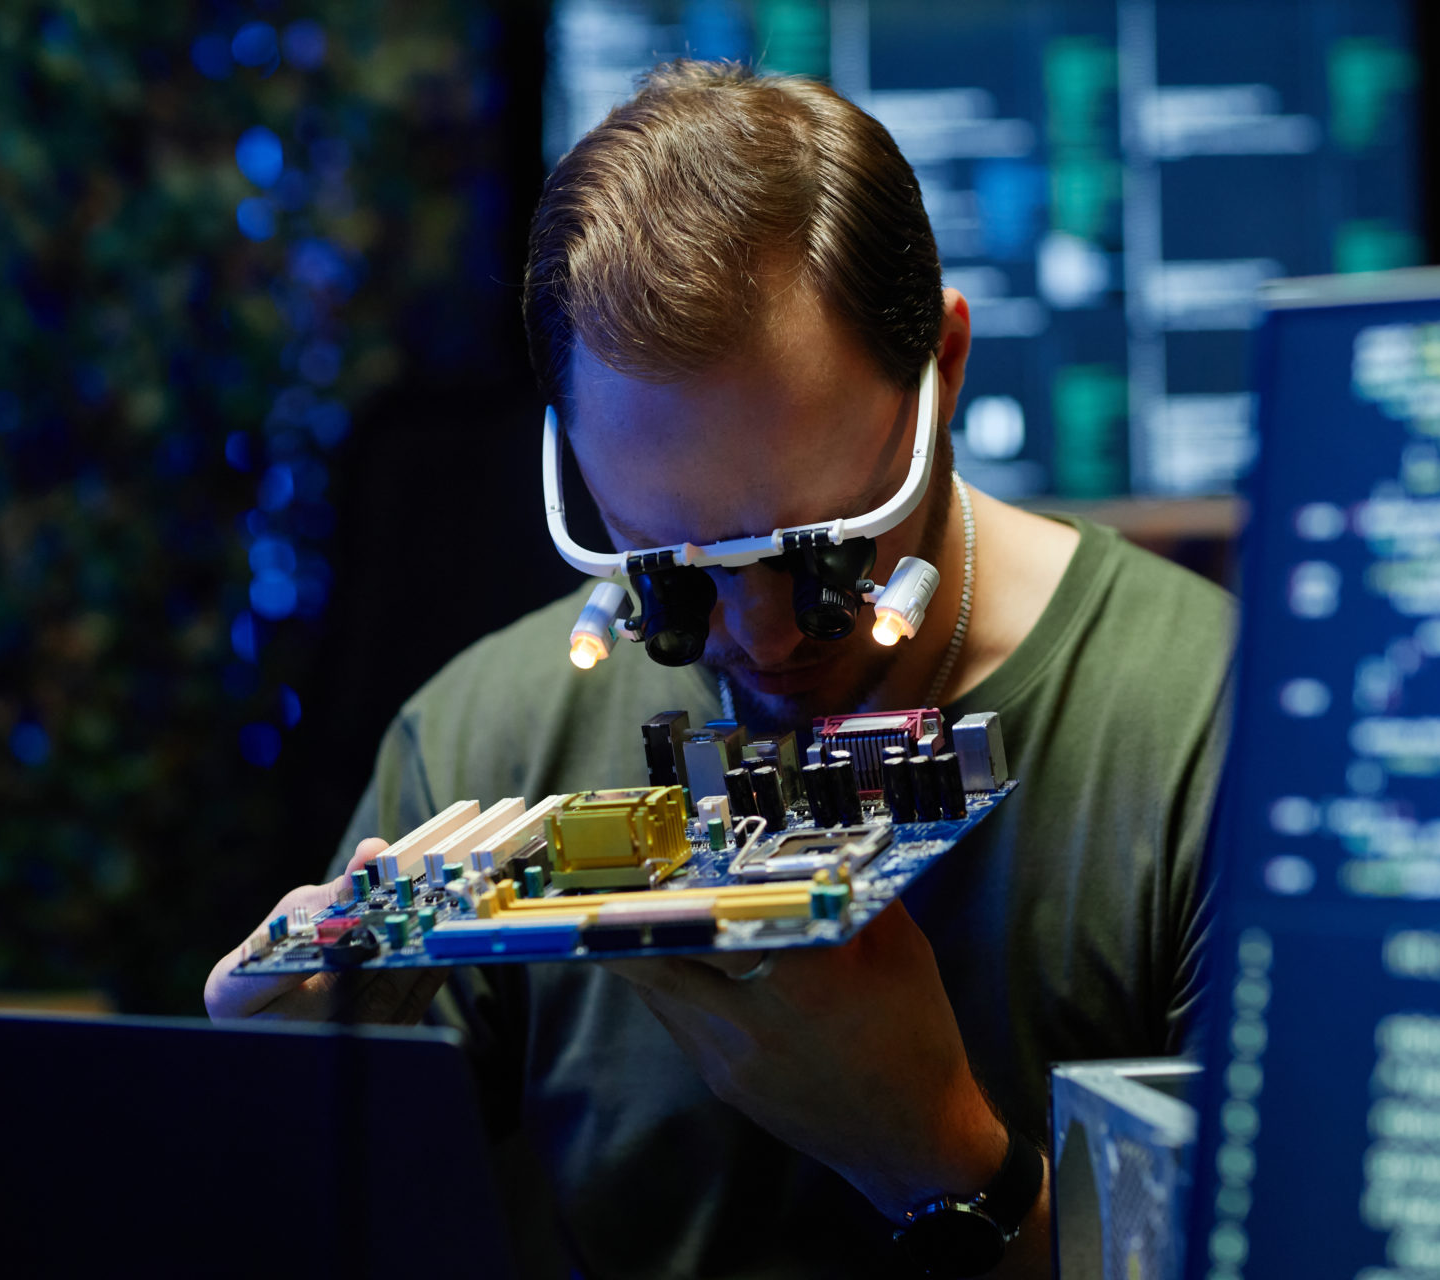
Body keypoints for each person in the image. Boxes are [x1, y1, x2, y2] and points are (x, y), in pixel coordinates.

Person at [207, 60, 1233, 1278]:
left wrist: (944, 1161)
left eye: (821, 554)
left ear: (945, 370)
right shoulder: (480, 742)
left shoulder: (1210, 738)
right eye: (669, 569)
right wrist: (280, 1116)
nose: (757, 634)